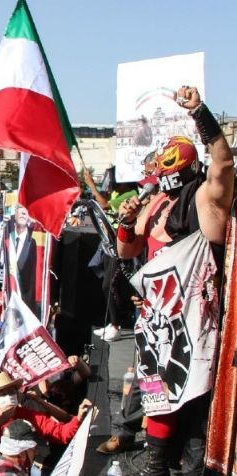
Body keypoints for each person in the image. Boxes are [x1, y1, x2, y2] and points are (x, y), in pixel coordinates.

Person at [116, 86, 233, 475]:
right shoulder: (155, 206)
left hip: (196, 326)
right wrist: (126, 224)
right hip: (153, 324)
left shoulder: (203, 199)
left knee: (194, 407)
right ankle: (154, 463)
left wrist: (200, 112)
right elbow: (128, 255)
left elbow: (222, 165)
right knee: (154, 395)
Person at [0, 373, 90, 454]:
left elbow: (61, 433)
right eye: (2, 395)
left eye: (11, 392)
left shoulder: (30, 415)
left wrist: (79, 418)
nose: (8, 397)